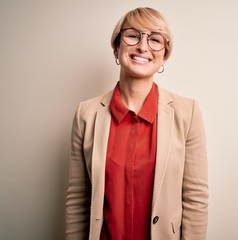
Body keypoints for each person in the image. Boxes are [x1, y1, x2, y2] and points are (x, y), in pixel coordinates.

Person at [65, 7, 208, 240]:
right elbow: (77, 199)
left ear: (164, 54)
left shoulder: (187, 112)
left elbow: (195, 199)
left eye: (155, 39)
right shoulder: (86, 114)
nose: (143, 46)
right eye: (133, 35)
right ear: (116, 47)